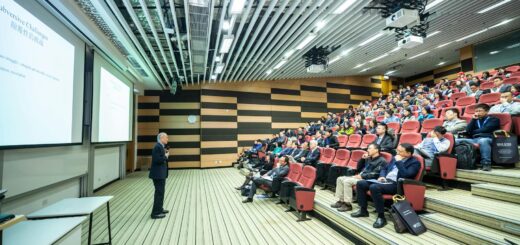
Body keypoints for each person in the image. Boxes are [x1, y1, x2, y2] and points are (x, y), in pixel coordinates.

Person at [351, 143, 421, 228]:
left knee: (374, 187)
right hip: (385, 181)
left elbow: (406, 175)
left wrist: (399, 162)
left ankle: (381, 217)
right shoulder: (395, 158)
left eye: (400, 151)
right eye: (397, 150)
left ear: (409, 153)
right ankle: (363, 210)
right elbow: (384, 168)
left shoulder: (415, 163)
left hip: (397, 184)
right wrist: (382, 176)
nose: (397, 153)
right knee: (361, 183)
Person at [330, 144, 386, 212]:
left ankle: (347, 204)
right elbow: (358, 168)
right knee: (340, 179)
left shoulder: (382, 161)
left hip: (367, 180)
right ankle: (341, 201)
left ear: (376, 150)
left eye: (370, 148)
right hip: (360, 176)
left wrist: (362, 176)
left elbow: (376, 174)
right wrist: (362, 159)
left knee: (347, 181)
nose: (367, 150)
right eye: (368, 148)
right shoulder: (368, 158)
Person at [455, 104, 500, 171]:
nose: (477, 113)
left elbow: (486, 129)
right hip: (475, 139)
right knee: (456, 140)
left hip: (489, 139)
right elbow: (468, 130)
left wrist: (473, 132)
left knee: (483, 141)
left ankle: (486, 163)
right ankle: (458, 161)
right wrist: (473, 120)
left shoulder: (494, 119)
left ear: (487, 111)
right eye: (476, 111)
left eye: (480, 111)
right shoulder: (475, 120)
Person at [149, 132, 170, 219]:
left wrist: (164, 155)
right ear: (161, 138)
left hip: (160, 174)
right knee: (159, 193)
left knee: (161, 193)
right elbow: (157, 160)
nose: (167, 139)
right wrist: (166, 156)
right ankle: (155, 213)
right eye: (166, 138)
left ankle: (159, 209)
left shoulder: (160, 146)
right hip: (158, 175)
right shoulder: (157, 147)